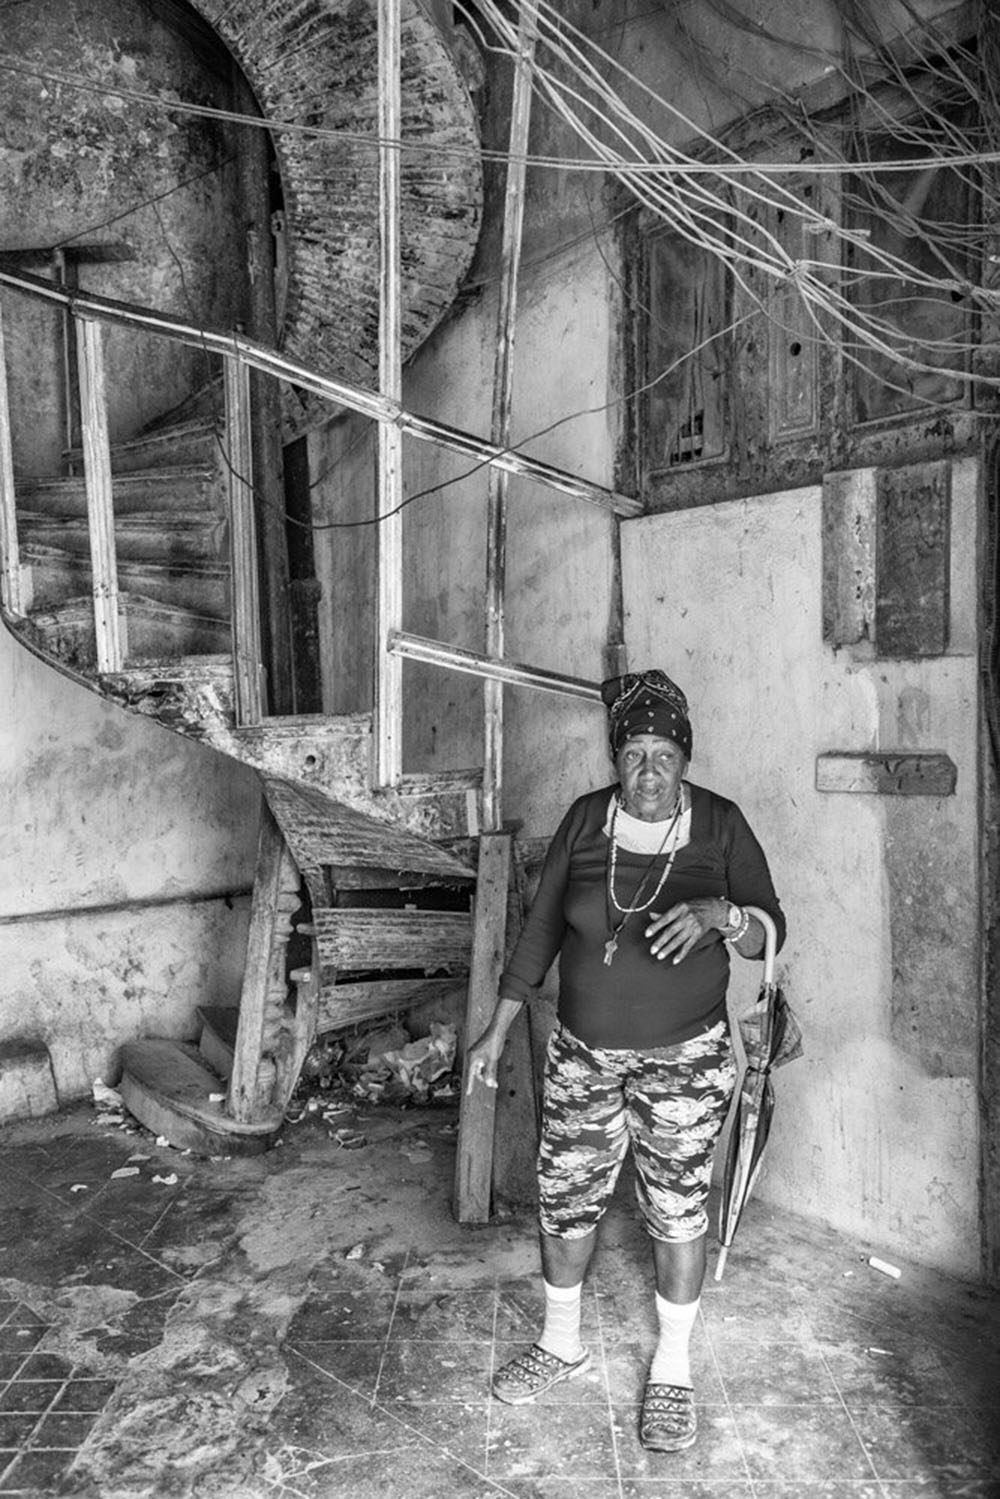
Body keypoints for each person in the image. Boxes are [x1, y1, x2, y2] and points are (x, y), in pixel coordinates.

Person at [464, 668, 785, 1453]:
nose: (648, 771)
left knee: (676, 1208)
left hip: (686, 1061)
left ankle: (672, 1366)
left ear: (686, 760)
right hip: (583, 1054)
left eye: (664, 756)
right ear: (615, 758)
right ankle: (561, 1341)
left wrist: (723, 913)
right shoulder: (586, 820)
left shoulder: (720, 824)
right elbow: (540, 931)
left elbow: (771, 931)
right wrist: (496, 1029)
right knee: (564, 1194)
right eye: (634, 754)